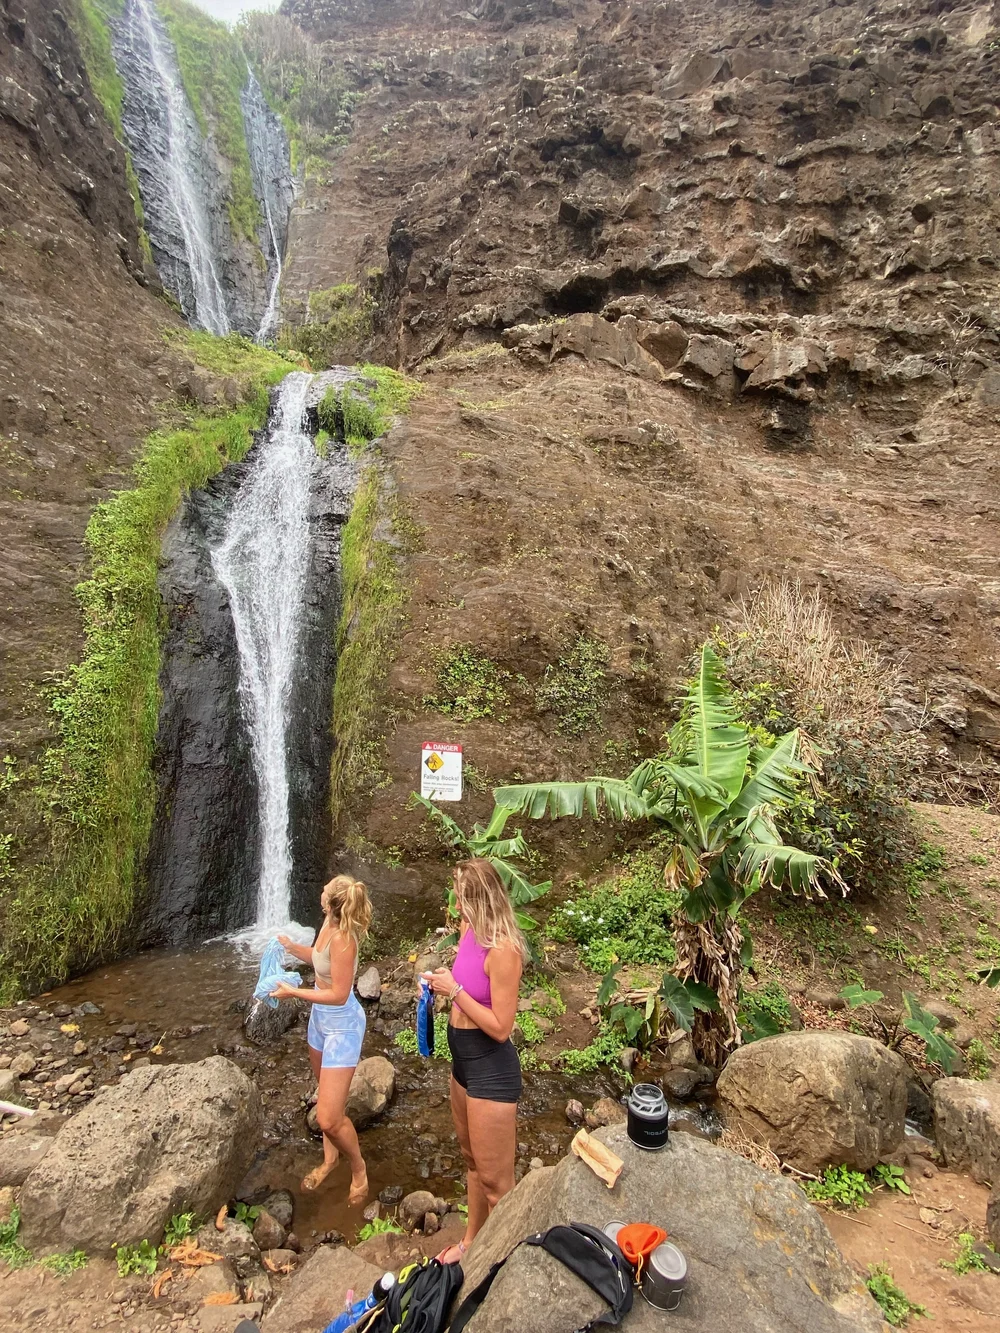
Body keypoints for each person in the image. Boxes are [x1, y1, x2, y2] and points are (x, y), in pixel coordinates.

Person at [422, 858, 526, 1264]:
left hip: (491, 1070)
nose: (457, 903)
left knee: (498, 1185)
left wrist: (456, 991)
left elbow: (502, 1027)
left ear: (480, 897)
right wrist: (437, 989)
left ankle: (509, 1263)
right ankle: (471, 1243)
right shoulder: (469, 932)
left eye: (462, 895)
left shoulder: (505, 950)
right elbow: (462, 985)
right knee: (471, 1162)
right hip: (462, 1063)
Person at [271, 874, 372, 1202]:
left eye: (325, 891)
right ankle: (330, 1159)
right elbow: (317, 959)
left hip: (342, 1026)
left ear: (333, 904)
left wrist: (294, 992)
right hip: (320, 1023)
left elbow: (340, 994)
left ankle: (358, 1167)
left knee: (328, 1115)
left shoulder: (344, 940)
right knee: (326, 1099)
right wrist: (290, 947)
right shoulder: (327, 923)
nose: (321, 891)